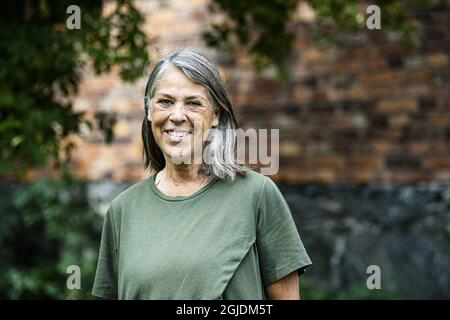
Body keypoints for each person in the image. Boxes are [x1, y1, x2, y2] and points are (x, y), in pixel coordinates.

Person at [92, 48, 312, 300]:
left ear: (215, 115)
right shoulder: (123, 210)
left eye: (193, 103)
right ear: (149, 110)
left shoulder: (256, 195)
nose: (177, 116)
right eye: (165, 101)